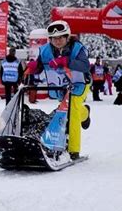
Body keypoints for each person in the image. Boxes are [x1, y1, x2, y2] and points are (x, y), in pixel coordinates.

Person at [27, 20, 91, 160]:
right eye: (54, 38)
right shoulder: (45, 50)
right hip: (61, 85)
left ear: (67, 37)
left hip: (79, 84)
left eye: (61, 37)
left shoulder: (77, 48)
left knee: (72, 111)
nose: (57, 41)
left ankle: (73, 150)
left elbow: (85, 66)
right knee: (66, 111)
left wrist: (67, 61)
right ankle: (85, 113)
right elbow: (39, 66)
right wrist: (34, 67)